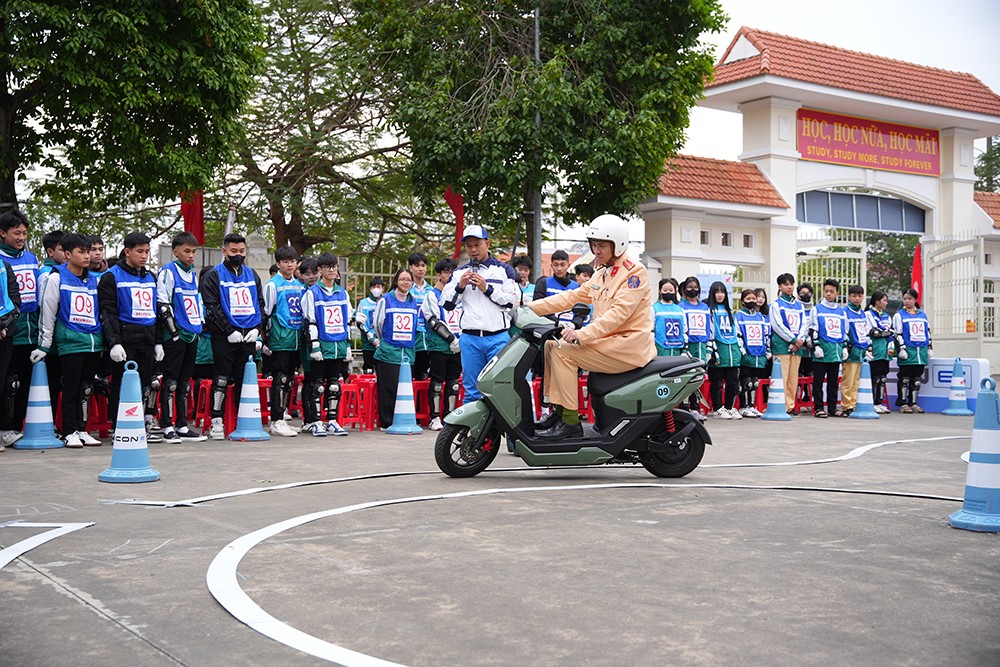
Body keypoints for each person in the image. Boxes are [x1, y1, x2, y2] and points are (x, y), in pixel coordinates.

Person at [528, 214, 655, 439]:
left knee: (563, 353)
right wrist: (529, 307)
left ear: (618, 244)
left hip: (628, 346)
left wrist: (580, 334)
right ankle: (558, 411)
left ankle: (569, 423)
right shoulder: (602, 273)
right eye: (594, 245)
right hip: (608, 343)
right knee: (550, 346)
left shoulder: (634, 272)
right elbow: (571, 296)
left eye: (602, 245)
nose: (596, 250)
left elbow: (618, 315)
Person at [32, 233, 103, 448]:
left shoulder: (94, 279)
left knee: (87, 389)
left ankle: (82, 429)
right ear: (68, 254)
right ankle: (69, 431)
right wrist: (44, 345)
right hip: (70, 343)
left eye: (87, 251)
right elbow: (48, 312)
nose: (87, 256)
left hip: (93, 342)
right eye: (81, 252)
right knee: (71, 389)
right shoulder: (56, 277)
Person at [441, 225, 519, 404]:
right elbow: (446, 304)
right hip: (470, 338)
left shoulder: (503, 270)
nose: (473, 250)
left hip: (498, 338)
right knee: (471, 390)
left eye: (477, 244)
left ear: (488, 244)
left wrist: (487, 288)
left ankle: (499, 431)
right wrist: (460, 286)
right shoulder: (459, 272)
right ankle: (474, 432)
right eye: (469, 246)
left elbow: (512, 301)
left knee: (499, 387)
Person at [200, 233, 266, 440]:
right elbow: (211, 307)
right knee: (221, 378)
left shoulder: (252, 274)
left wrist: (257, 329)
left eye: (242, 251)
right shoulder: (214, 275)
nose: (238, 255)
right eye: (233, 251)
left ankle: (243, 418)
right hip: (225, 336)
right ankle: (217, 421)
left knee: (244, 379)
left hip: (248, 336)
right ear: (224, 251)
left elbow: (260, 305)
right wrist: (228, 331)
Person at [98, 232, 163, 441]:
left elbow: (156, 310)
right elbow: (108, 312)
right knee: (122, 384)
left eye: (147, 252)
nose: (144, 256)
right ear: (127, 251)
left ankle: (140, 423)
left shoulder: (150, 277)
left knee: (145, 384)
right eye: (139, 251)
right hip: (125, 341)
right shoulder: (112, 276)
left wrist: (158, 341)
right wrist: (114, 342)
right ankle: (119, 426)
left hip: (147, 339)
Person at [155, 232, 208, 443]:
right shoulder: (168, 272)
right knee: (171, 381)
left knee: (185, 383)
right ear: (175, 251)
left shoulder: (192, 273)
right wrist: (174, 333)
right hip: (175, 335)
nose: (191, 255)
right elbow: (163, 304)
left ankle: (182, 424)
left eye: (194, 251)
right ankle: (167, 424)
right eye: (187, 251)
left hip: (192, 333)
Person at [299, 253, 352, 436]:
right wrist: (314, 346)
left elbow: (347, 322)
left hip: (338, 346)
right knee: (317, 385)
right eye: (327, 267)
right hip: (321, 346)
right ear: (320, 270)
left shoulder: (342, 293)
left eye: (334, 266)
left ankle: (332, 420)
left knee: (334, 385)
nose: (331, 270)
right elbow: (309, 321)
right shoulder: (312, 293)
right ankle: (315, 421)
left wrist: (348, 347)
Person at [0, 209, 38, 448]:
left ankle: (15, 427)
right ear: (2, 233)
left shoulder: (31, 258)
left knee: (22, 382)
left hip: (29, 331)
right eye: (16, 233)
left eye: (24, 233)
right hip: (8, 330)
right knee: (6, 382)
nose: (21, 237)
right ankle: (4, 426)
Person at [262, 246, 305, 437]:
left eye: (292, 261)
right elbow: (266, 313)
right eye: (285, 261)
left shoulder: (300, 286)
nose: (289, 264)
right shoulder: (272, 285)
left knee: (290, 380)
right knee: (280, 379)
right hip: (280, 339)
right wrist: (264, 340)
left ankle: (283, 416)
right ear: (278, 264)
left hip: (296, 338)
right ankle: (276, 419)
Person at [372, 268, 419, 428]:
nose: (405, 282)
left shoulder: (413, 301)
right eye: (402, 279)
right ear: (396, 281)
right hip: (388, 352)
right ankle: (387, 422)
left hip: (407, 353)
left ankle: (402, 419)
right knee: (388, 388)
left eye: (408, 279)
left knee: (404, 388)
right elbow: (378, 324)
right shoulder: (386, 300)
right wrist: (383, 342)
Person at [422, 257, 463, 431]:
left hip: (460, 346)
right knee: (437, 383)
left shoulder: (460, 295)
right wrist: (451, 339)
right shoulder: (431, 295)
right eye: (446, 272)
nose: (449, 275)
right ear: (439, 275)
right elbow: (433, 320)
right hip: (439, 346)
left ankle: (450, 417)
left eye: (452, 272)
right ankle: (435, 417)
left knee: (454, 383)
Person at [769, 273, 808, 416]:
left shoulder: (799, 305)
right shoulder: (776, 305)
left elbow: (804, 323)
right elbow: (777, 326)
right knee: (782, 377)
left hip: (797, 347)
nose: (789, 287)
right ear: (779, 286)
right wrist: (793, 339)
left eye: (791, 284)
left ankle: (790, 406)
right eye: (786, 284)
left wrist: (800, 339)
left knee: (793, 378)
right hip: (781, 346)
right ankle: (780, 405)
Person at [809, 278, 847, 418]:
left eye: (832, 291)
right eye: (826, 291)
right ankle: (818, 407)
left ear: (837, 292)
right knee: (818, 382)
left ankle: (832, 408)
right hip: (822, 351)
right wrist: (816, 345)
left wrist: (844, 347)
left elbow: (844, 330)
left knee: (833, 383)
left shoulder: (841, 311)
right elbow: (813, 328)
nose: (829, 294)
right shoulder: (816, 309)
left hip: (836, 351)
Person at [892, 288, 931, 413]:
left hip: (921, 351)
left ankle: (913, 402)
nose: (907, 301)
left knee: (917, 379)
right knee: (905, 378)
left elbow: (927, 332)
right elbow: (897, 334)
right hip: (908, 351)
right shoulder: (899, 315)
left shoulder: (922, 314)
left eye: (910, 299)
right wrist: (901, 349)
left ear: (915, 300)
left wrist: (929, 347)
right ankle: (902, 403)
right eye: (905, 299)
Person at [705, 282, 741, 419]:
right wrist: (712, 351)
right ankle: (718, 408)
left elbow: (736, 332)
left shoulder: (729, 311)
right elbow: (710, 331)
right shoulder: (709, 310)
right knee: (717, 382)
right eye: (717, 292)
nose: (720, 295)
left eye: (723, 292)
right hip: (718, 350)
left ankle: (729, 407)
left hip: (732, 351)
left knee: (733, 382)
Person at [678, 275, 711, 417]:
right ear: (684, 289)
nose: (693, 290)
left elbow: (709, 327)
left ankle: (695, 407)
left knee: (698, 379)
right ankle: (685, 407)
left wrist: (709, 348)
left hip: (701, 347)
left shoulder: (705, 307)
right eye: (690, 287)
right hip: (689, 347)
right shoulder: (681, 307)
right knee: (687, 379)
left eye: (695, 287)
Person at [735, 289, 769, 418]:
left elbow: (765, 335)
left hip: (759, 355)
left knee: (755, 382)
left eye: (753, 299)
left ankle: (752, 406)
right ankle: (743, 406)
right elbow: (738, 336)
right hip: (747, 355)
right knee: (746, 382)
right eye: (748, 299)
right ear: (743, 301)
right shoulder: (739, 316)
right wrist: (743, 352)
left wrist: (767, 351)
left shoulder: (760, 316)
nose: (752, 301)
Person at [839, 284, 869, 416]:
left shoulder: (862, 313)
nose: (857, 298)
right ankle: (846, 406)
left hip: (861, 351)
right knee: (848, 380)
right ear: (849, 297)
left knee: (856, 381)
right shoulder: (845, 312)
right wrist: (846, 347)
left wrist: (868, 347)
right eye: (854, 296)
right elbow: (844, 332)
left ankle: (854, 403)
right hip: (851, 352)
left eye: (860, 296)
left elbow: (866, 331)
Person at [865, 290, 893, 414]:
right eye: (884, 300)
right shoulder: (868, 314)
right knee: (874, 377)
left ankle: (879, 402)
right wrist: (887, 333)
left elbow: (892, 334)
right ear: (877, 301)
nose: (886, 303)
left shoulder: (887, 316)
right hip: (874, 350)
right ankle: (871, 402)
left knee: (882, 378)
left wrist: (891, 345)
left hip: (885, 351)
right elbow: (874, 332)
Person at [532, 249, 578, 324]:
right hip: (549, 328)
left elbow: (581, 310)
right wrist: (554, 321)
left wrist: (575, 323)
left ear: (568, 265)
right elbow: (537, 307)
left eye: (562, 265)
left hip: (571, 330)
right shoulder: (543, 283)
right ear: (551, 266)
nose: (559, 269)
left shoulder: (576, 287)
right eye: (556, 265)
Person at [407, 252, 433, 380]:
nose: (421, 268)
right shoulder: (406, 288)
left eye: (423, 265)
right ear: (410, 267)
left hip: (427, 335)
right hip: (411, 335)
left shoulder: (431, 290)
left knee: (423, 374)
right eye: (417, 265)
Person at [354, 276, 384, 373]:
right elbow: (360, 323)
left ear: (383, 288)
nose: (376, 289)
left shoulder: (385, 302)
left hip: (383, 343)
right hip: (368, 343)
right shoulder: (363, 303)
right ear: (370, 289)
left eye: (379, 286)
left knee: (382, 369)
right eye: (373, 286)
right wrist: (371, 338)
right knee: (369, 369)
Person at [652, 278, 686, 356]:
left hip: (677, 348)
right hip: (661, 348)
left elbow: (684, 330)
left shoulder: (680, 310)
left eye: (671, 290)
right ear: (660, 291)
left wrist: (684, 350)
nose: (668, 292)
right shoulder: (654, 308)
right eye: (665, 290)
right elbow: (651, 330)